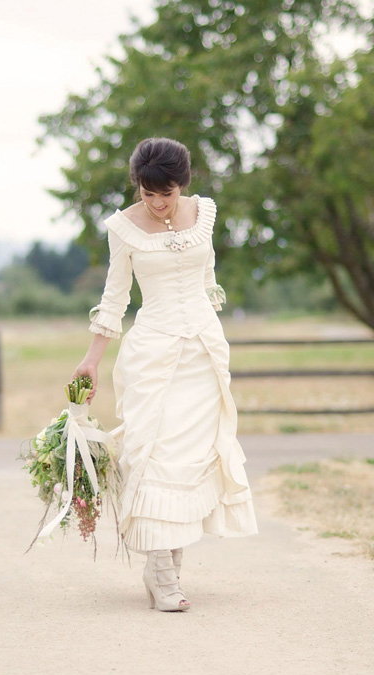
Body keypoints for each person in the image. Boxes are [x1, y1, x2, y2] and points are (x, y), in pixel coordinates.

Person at [72, 136, 258, 612]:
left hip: (202, 350)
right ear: (138, 186)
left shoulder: (205, 214)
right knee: (154, 452)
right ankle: (161, 572)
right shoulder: (123, 229)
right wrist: (91, 358)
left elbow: (208, 278)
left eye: (166, 194)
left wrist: (212, 332)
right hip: (153, 350)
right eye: (147, 193)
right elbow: (115, 298)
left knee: (192, 457)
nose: (156, 203)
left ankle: (169, 570)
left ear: (183, 185)